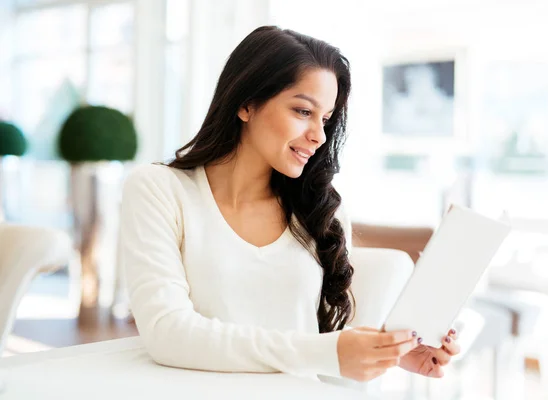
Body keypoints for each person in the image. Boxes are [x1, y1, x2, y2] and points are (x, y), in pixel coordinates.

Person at [118, 25, 460, 383]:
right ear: (246, 103)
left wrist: (393, 353)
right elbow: (167, 332)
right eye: (302, 111)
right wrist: (326, 352)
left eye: (326, 119)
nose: (319, 135)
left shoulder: (320, 210)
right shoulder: (159, 190)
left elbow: (329, 336)